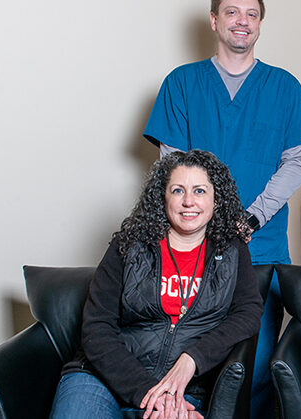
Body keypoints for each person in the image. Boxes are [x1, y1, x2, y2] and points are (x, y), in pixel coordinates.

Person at [142, 0, 301, 418]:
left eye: (252, 14)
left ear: (260, 23)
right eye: (232, 12)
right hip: (190, 249)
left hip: (260, 246)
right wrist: (202, 222)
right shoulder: (182, 83)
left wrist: (253, 217)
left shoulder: (284, 86)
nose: (242, 21)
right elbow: (172, 167)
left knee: (256, 365)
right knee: (187, 357)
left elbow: (296, 162)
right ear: (214, 20)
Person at [50, 150, 263, 419]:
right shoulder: (129, 245)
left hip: (184, 385)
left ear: (216, 199)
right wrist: (149, 391)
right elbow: (97, 327)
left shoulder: (231, 250)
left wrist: (192, 359)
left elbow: (248, 313)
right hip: (100, 377)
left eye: (199, 191)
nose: (188, 202)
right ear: (162, 197)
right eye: (177, 191)